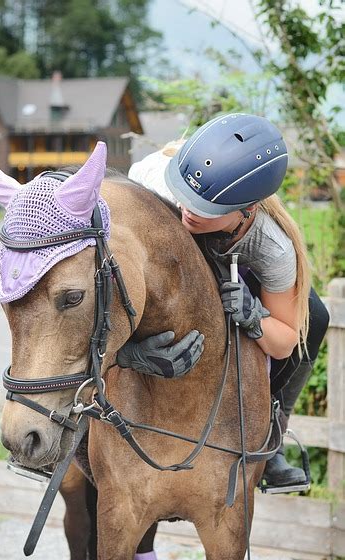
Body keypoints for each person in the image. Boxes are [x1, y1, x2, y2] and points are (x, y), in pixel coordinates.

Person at [118, 112, 330, 490]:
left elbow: (283, 341)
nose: (187, 211)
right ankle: (72, 417)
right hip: (159, 265)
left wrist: (253, 318)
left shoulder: (273, 247)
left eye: (204, 209)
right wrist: (129, 352)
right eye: (185, 198)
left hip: (241, 268)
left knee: (316, 313)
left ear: (247, 208)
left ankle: (269, 434)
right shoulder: (153, 185)